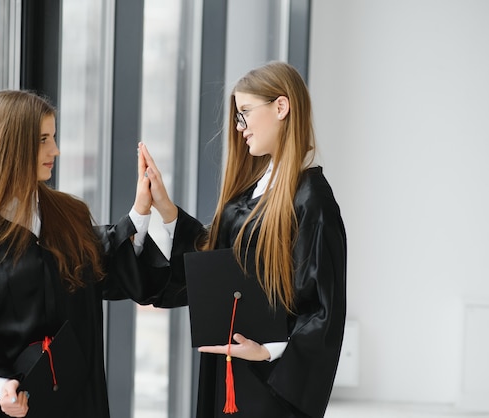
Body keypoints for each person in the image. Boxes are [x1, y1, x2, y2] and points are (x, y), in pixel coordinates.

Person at [0, 90, 189, 418]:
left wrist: (140, 212)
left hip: (75, 402)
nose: (55, 150)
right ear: (11, 145)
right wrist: (2, 385)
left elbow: (105, 265)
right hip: (14, 407)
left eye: (54, 137)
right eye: (43, 139)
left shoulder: (67, 216)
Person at [139, 61, 347, 417]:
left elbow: (324, 308)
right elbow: (219, 265)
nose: (240, 128)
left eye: (246, 113)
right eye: (238, 117)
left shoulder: (312, 200)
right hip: (228, 369)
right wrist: (167, 210)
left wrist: (268, 351)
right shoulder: (253, 194)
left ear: (281, 107)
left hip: (269, 384)